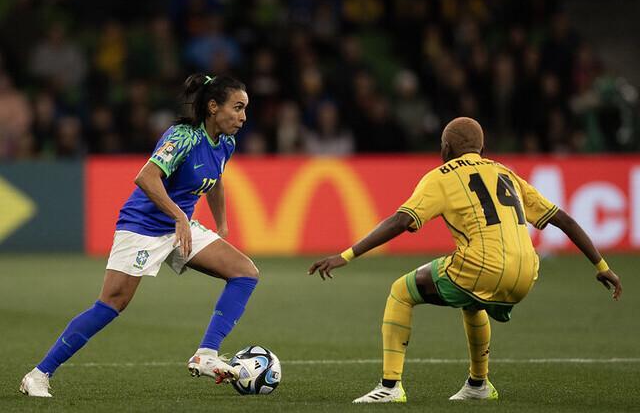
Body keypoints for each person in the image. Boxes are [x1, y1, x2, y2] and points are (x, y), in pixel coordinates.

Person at [309, 117, 622, 404]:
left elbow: (401, 221)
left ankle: (390, 387)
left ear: (445, 148)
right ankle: (478, 384)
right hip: (527, 271)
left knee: (401, 292)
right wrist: (602, 267)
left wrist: (346, 255)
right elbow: (563, 219)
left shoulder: (440, 177)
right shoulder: (506, 172)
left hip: (482, 265)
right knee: (472, 301)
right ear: (482, 148)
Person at [20, 74, 258, 397]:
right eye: (238, 108)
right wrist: (179, 216)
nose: (244, 117)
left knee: (245, 273)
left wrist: (222, 224)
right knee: (112, 303)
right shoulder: (183, 136)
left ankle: (207, 354)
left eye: (245, 109)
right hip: (143, 226)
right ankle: (38, 374)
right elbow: (145, 177)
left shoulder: (226, 143)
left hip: (179, 227)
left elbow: (215, 179)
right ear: (213, 107)